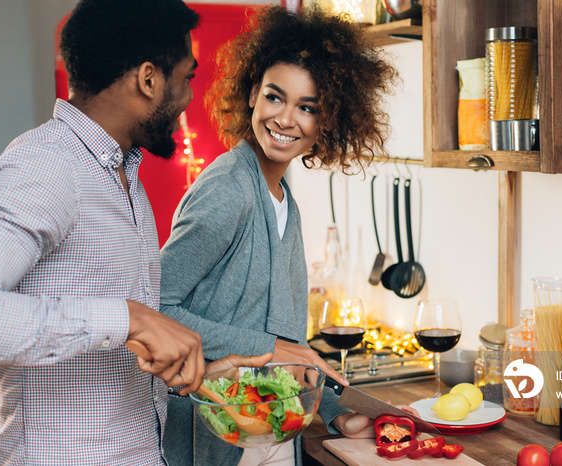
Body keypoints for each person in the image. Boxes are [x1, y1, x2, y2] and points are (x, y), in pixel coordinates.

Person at [0, 0, 265, 464]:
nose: (191, 96)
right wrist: (128, 318)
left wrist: (204, 373)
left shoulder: (120, 172)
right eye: (187, 77)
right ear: (149, 79)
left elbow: (112, 362)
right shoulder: (46, 168)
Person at [159, 5, 399, 465]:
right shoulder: (229, 190)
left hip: (270, 434)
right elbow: (155, 307)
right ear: (252, 93)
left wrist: (335, 412)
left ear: (325, 121)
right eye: (275, 97)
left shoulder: (283, 197)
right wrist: (270, 349)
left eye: (306, 107)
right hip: (218, 435)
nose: (286, 119)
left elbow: (288, 350)